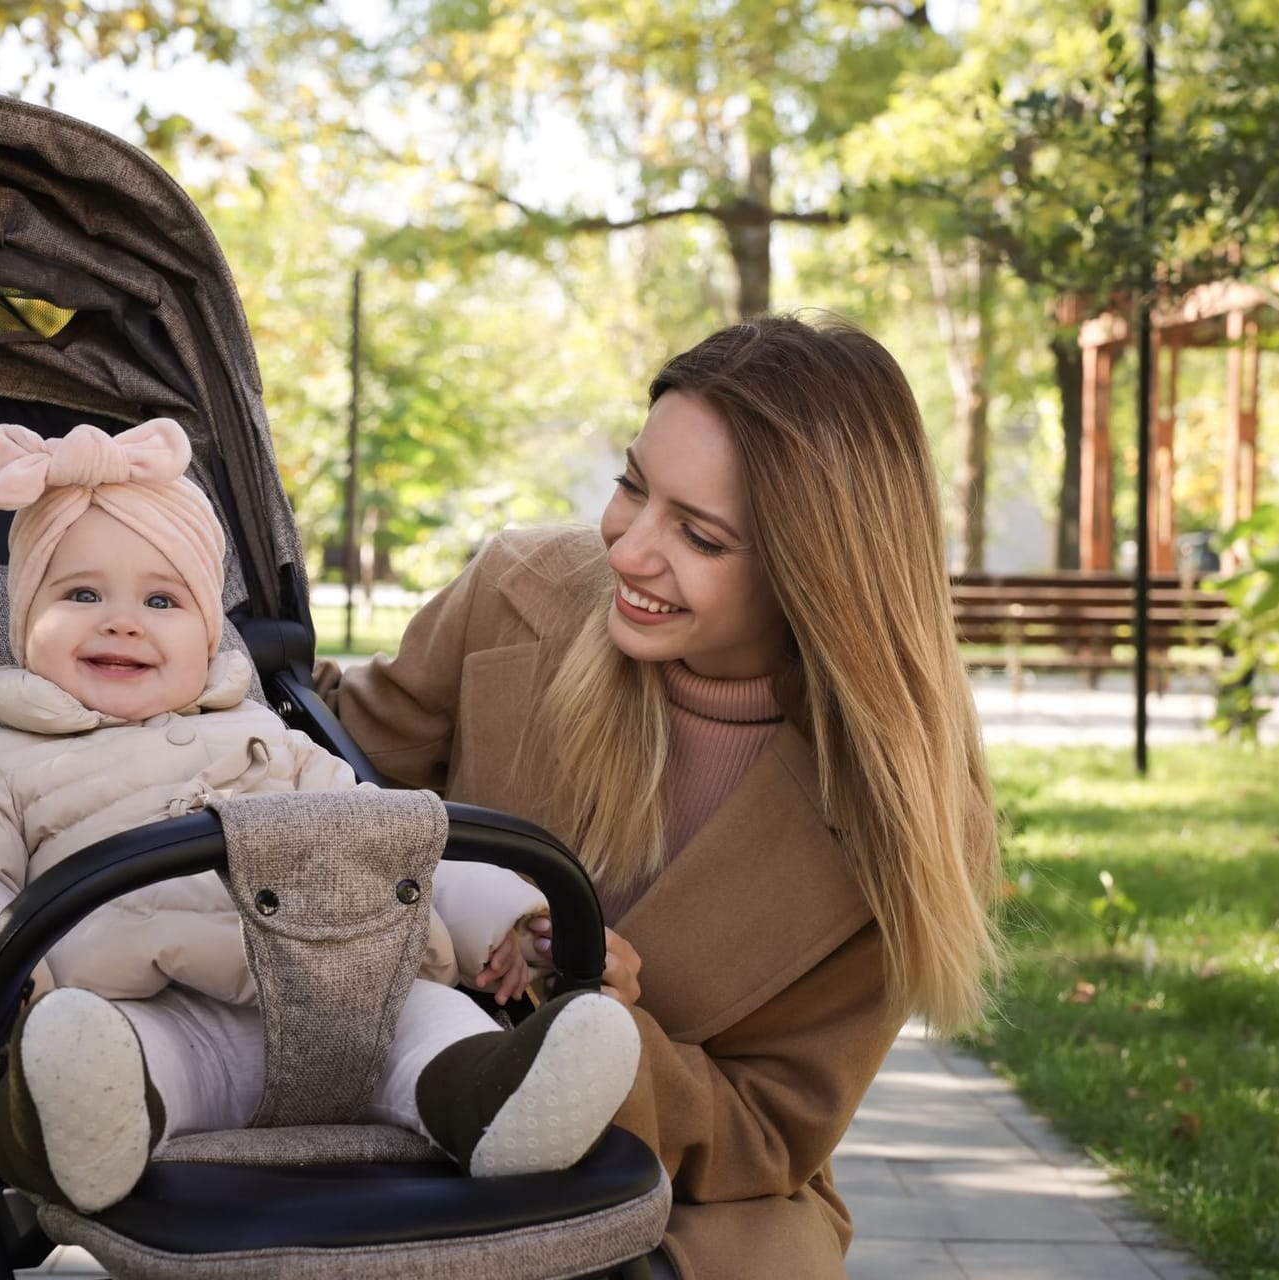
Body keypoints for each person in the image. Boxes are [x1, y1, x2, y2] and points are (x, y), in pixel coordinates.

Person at [316, 313, 1002, 1280]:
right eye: (633, 486)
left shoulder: (897, 816)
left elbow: (771, 1130)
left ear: (816, 571)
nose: (630, 551)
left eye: (700, 535)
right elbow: (335, 770)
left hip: (681, 1194)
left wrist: (600, 1038)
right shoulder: (518, 594)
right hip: (401, 1095)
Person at [0, 418, 640, 1216]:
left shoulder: (272, 744)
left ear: (210, 630)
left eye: (161, 599)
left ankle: (495, 1100)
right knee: (98, 1053)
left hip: (343, 1002)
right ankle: (80, 1128)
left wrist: (513, 917)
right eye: (80, 594)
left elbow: (392, 848)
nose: (122, 621)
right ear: (23, 621)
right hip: (158, 1013)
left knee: (433, 1018)